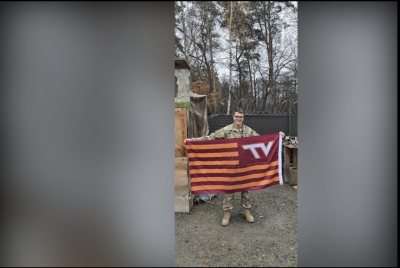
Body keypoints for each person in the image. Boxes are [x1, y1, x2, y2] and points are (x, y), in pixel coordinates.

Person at [185, 108, 285, 226]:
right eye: (237, 116)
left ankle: (246, 210)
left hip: (245, 166)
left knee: (246, 188)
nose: (238, 119)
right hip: (230, 166)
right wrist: (192, 141)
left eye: (241, 117)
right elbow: (211, 137)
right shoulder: (226, 130)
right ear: (233, 117)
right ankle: (227, 212)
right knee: (229, 189)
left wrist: (278, 137)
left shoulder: (248, 131)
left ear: (243, 118)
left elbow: (262, 141)